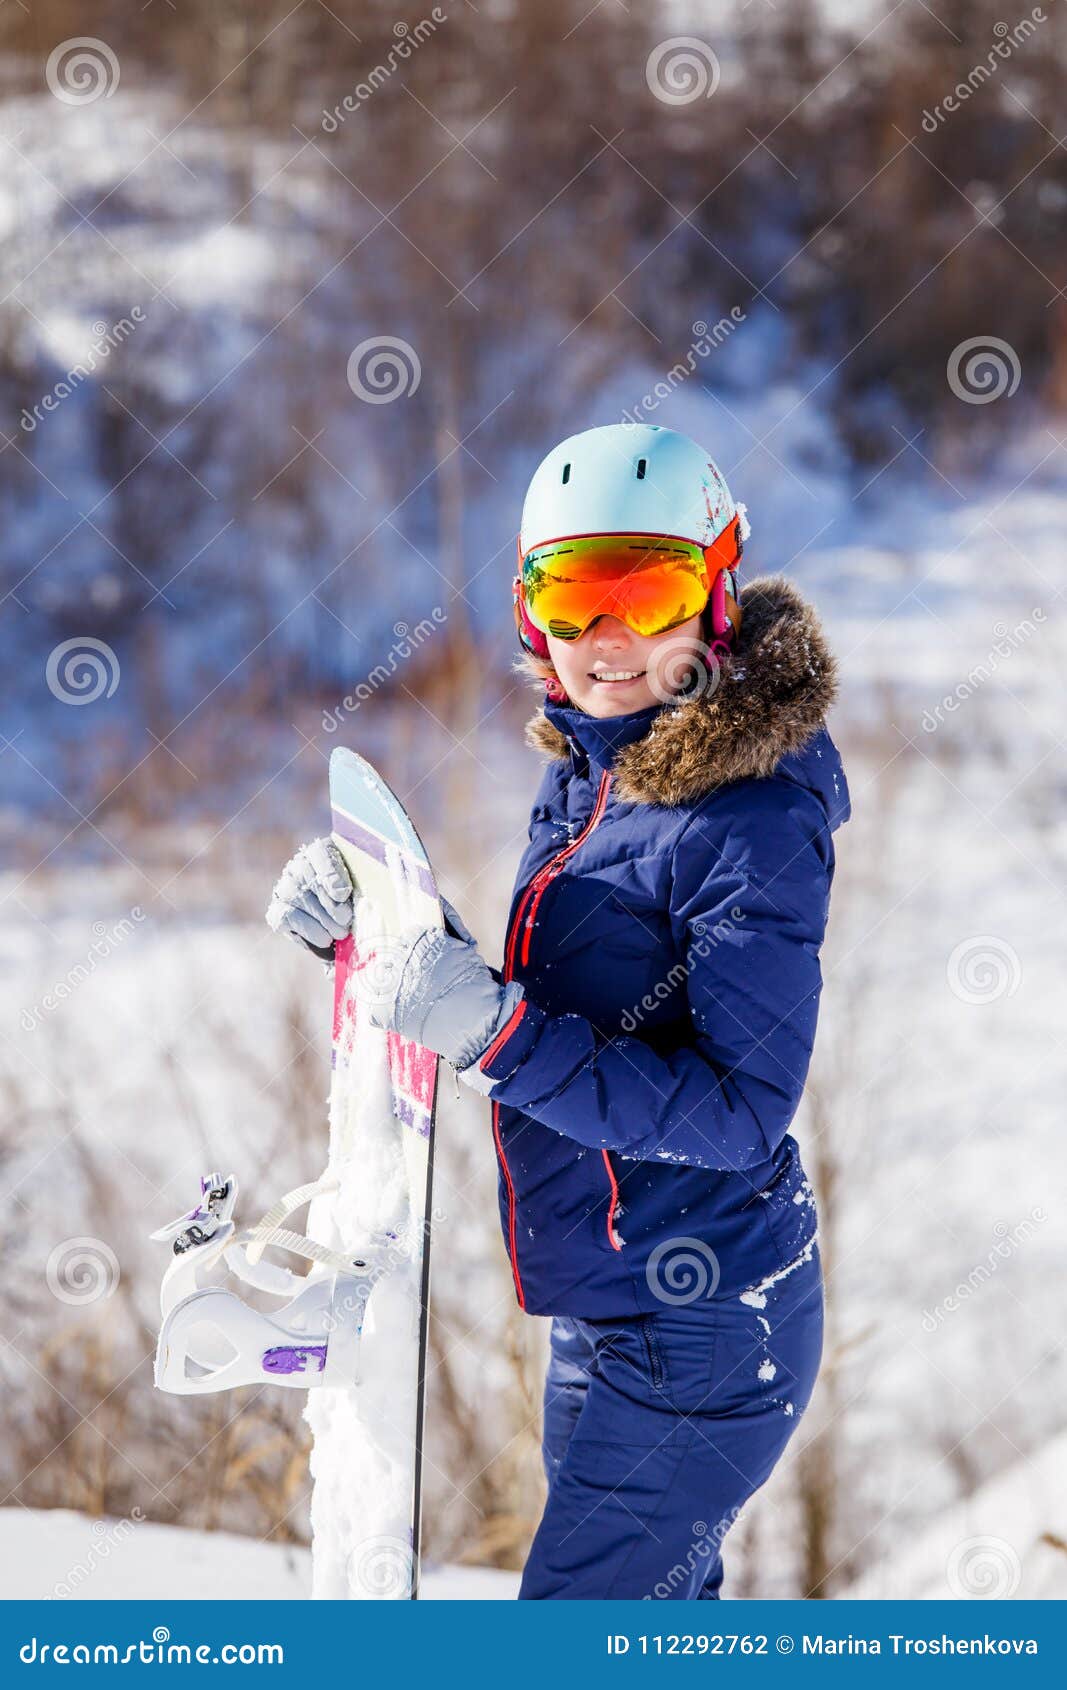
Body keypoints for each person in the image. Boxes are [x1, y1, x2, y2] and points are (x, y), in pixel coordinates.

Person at [266, 423, 851, 1599]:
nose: (612, 636)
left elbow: (737, 1113)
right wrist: (385, 939)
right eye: (577, 593)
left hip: (700, 1330)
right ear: (534, 611)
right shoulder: (599, 765)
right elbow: (575, 1009)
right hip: (611, 1307)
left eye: (651, 587)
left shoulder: (751, 818)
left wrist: (488, 1031)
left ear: (717, 593)